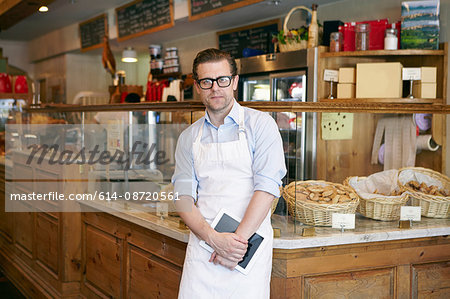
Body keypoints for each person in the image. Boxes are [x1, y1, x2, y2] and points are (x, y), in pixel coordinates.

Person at [172, 48, 286, 298]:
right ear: (197, 86)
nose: (215, 88)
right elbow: (183, 200)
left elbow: (266, 189)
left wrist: (236, 246)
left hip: (246, 252)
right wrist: (214, 240)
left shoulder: (261, 125)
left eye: (222, 80)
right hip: (204, 250)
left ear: (234, 81)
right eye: (207, 81)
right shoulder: (188, 138)